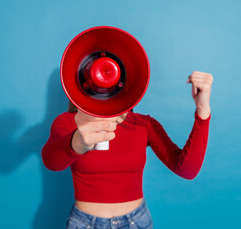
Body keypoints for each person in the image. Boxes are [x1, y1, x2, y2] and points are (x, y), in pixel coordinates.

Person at [42, 71, 213, 229]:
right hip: (85, 223)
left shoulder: (144, 125)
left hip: (136, 222)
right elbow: (51, 161)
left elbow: (187, 169)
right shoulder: (69, 122)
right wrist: (77, 143)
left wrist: (202, 110)